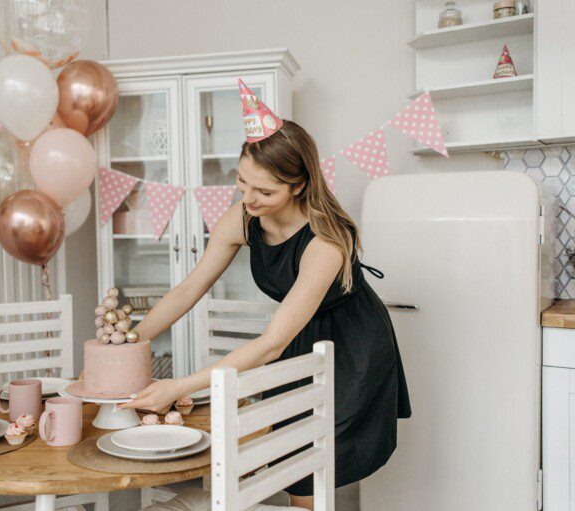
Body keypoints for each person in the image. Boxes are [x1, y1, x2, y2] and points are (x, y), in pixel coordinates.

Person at [121, 80, 411, 510]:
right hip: (299, 339)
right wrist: (129, 342)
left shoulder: (326, 242)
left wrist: (178, 386)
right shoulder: (242, 218)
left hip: (351, 348)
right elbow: (189, 288)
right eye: (242, 183)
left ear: (298, 185)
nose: (248, 199)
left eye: (264, 191)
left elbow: (271, 343)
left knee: (311, 469)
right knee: (290, 460)